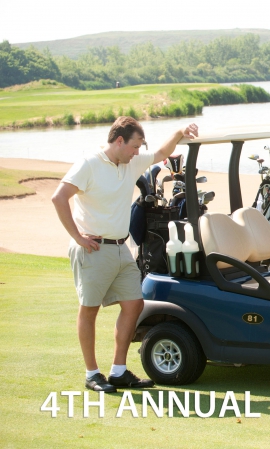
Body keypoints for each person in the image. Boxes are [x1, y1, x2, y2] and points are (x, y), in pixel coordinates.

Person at [51, 117, 198, 393]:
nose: (137, 152)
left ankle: (118, 370)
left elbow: (163, 153)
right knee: (89, 309)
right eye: (134, 146)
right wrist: (78, 237)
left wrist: (180, 130)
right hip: (93, 249)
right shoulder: (89, 163)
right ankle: (92, 373)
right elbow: (59, 198)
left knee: (134, 304)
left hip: (121, 248)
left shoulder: (130, 163)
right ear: (119, 141)